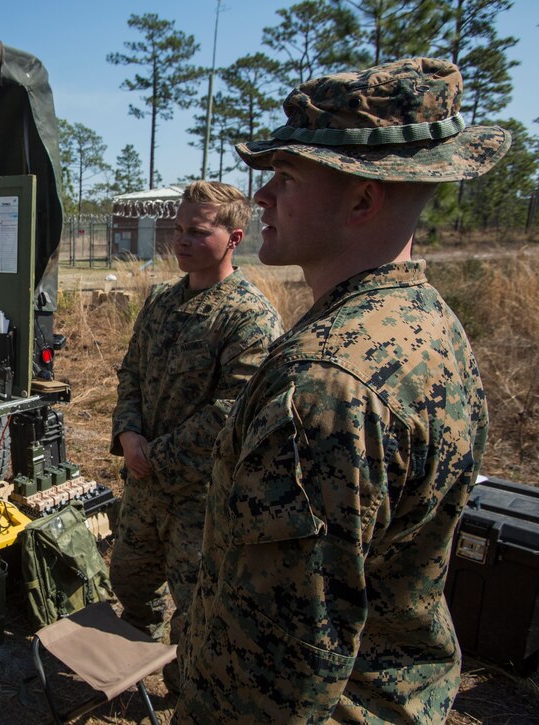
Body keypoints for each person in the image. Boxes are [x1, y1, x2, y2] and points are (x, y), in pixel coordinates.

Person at [174, 58, 510, 723]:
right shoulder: (430, 326)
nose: (263, 196)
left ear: (363, 199)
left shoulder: (323, 389)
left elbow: (269, 683)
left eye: (288, 177)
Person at [108, 181, 284, 688]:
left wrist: (153, 455)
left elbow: (233, 411)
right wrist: (128, 434)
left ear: (233, 237)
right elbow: (131, 374)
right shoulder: (162, 303)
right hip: (145, 481)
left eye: (197, 232)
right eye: (179, 230)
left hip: (200, 496)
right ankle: (130, 661)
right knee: (131, 580)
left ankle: (188, 692)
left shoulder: (248, 316)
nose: (181, 241)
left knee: (197, 603)